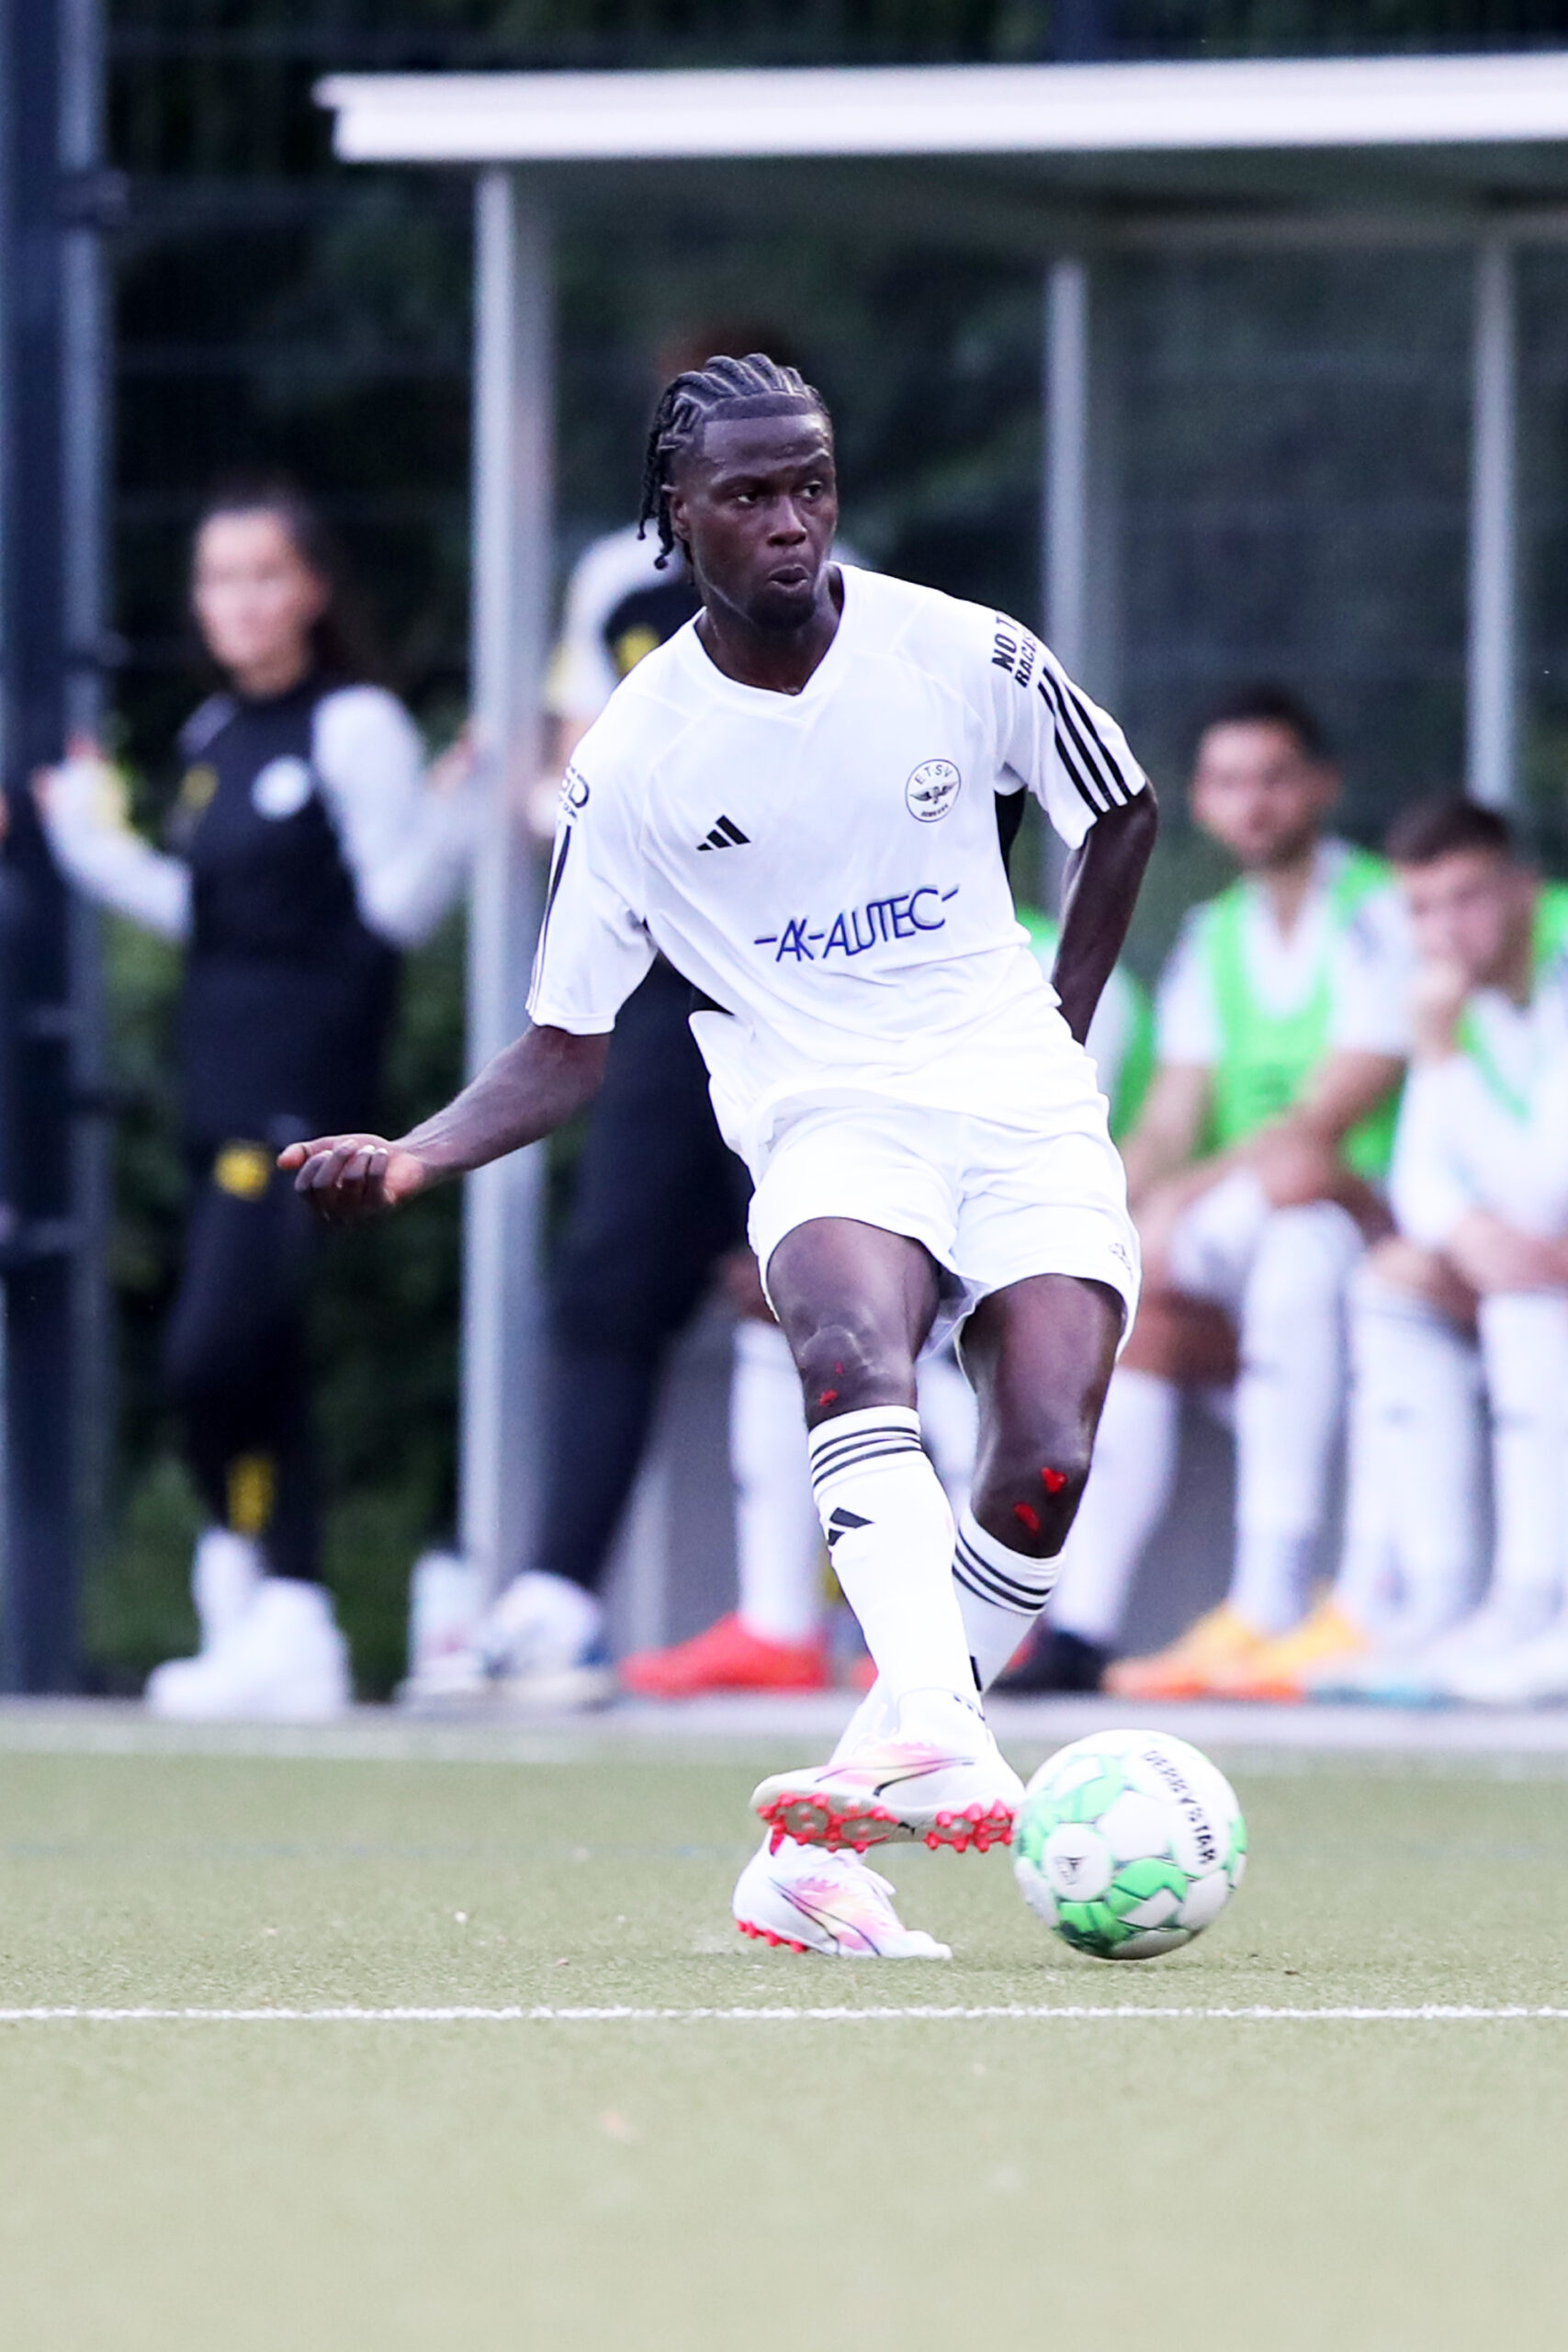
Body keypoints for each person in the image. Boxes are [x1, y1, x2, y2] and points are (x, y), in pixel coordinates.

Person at [282, 351, 1156, 1960]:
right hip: (821, 1111)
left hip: (1015, 1097)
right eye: (748, 495)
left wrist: (1061, 1020)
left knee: (1043, 1460)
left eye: (809, 485)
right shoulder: (634, 758)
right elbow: (564, 1043)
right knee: (848, 1344)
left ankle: (811, 1857)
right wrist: (414, 1155)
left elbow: (1118, 809)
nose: (789, 521)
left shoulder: (962, 651)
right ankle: (936, 1733)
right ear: (674, 517)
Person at [407, 330, 840, 1711]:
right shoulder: (617, 583)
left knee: (840, 1284)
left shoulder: (855, 593)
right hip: (667, 990)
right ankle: (555, 1601)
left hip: (819, 989)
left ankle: (936, 1618)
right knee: (609, 1284)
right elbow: (568, 769)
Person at [36, 481, 472, 1720]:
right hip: (217, 1088)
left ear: (312, 590)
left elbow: (395, 907)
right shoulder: (215, 732)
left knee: (214, 1349)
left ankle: (267, 1600)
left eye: (264, 575)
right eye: (218, 579)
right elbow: (210, 913)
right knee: (251, 1359)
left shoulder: (354, 724)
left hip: (306, 1090)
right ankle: (280, 1611)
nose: (238, 602)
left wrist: (456, 811)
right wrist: (91, 843)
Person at [617, 900, 1151, 1702]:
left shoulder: (1043, 957)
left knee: (976, 1351)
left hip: (1029, 1227)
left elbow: (1043, 1141)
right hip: (905, 1208)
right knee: (800, 1317)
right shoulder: (844, 936)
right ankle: (778, 1625)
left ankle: (985, 1621)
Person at [1065, 689, 1410, 1702]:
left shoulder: (1380, 909)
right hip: (1254, 1216)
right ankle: (1079, 1626)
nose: (1251, 803)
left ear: (1320, 786)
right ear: (1200, 801)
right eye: (1226, 782)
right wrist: (1106, 1216)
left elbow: (1328, 1111)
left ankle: (1271, 1601)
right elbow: (1173, 1114)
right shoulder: (1213, 934)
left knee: (1293, 1243)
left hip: (1372, 1211)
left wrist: (1182, 1201)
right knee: (1135, 1305)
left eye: (1272, 778)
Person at [1297, 798, 1568, 1707]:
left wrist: (1440, 1051)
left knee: (1529, 1290)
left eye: (1467, 899)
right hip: (1542, 1255)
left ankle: (1542, 1599)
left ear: (1523, 889)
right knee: (1397, 1281)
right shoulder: (1456, 995)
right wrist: (1464, 1234)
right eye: (1421, 908)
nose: (1444, 930)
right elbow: (1423, 1177)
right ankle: (1439, 1598)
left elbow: (1547, 1187)